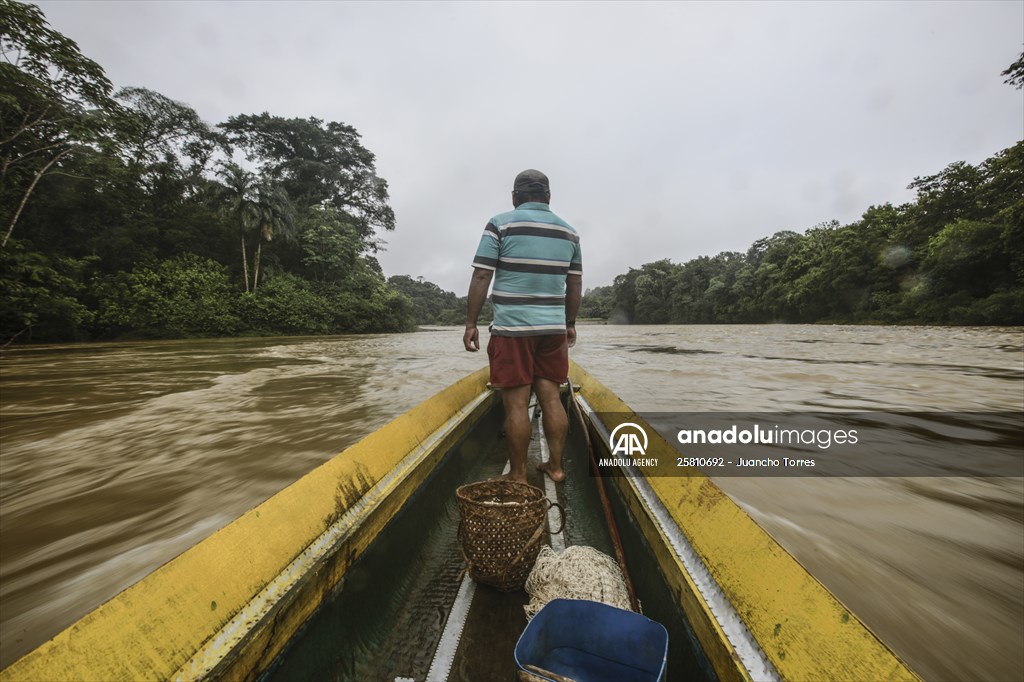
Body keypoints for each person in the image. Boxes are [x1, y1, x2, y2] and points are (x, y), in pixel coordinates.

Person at [463, 169, 582, 484]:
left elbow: (481, 276)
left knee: (516, 403)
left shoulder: (500, 224)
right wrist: (569, 323)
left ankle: (517, 475)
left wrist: (471, 322)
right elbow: (574, 285)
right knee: (552, 397)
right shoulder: (570, 233)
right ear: (548, 198)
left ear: (514, 197)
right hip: (553, 330)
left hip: (513, 331)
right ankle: (555, 467)